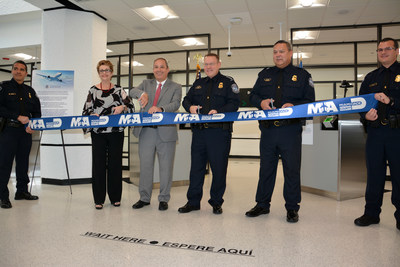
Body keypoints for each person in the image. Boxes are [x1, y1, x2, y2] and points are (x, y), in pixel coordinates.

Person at [245, 40, 315, 223]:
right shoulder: (265, 74)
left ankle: (292, 208)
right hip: (268, 131)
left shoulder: (302, 75)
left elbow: (310, 102)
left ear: (290, 53)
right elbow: (252, 95)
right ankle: (262, 204)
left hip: (290, 131)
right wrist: (260, 102)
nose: (278, 55)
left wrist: (295, 105)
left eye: (282, 51)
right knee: (266, 170)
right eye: (275, 51)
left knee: (292, 170)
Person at [178, 53, 240, 215]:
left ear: (219, 64)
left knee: (219, 169)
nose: (208, 67)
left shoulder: (228, 83)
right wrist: (189, 107)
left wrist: (219, 111)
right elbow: (186, 100)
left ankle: (216, 202)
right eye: (206, 64)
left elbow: (234, 104)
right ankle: (193, 202)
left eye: (211, 64)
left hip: (219, 133)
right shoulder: (198, 83)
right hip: (199, 132)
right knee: (196, 169)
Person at [355, 37, 400, 231]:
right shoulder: (371, 77)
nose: (383, 52)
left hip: (397, 133)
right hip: (375, 133)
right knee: (374, 175)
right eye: (380, 49)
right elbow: (360, 102)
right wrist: (366, 116)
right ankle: (371, 214)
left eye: (388, 49)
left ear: (396, 51)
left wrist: (391, 101)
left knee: (399, 176)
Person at [129, 58, 182, 211]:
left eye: (162, 67)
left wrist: (160, 108)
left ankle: (164, 199)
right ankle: (144, 198)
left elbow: (176, 103)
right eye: (156, 67)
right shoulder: (146, 84)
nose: (159, 69)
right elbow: (132, 91)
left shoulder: (176, 86)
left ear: (167, 69)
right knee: (145, 167)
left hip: (166, 132)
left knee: (166, 168)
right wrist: (141, 93)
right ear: (153, 69)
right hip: (146, 131)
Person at [82, 60, 134, 210]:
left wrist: (122, 107)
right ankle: (99, 199)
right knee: (98, 165)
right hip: (98, 134)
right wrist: (92, 114)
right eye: (101, 70)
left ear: (112, 72)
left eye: (107, 70)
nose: (104, 73)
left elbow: (131, 107)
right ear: (98, 73)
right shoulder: (92, 91)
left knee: (115, 165)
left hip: (116, 133)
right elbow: (85, 111)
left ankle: (115, 197)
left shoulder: (119, 90)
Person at [0, 60, 41, 209]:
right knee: (5, 164)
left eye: (22, 69)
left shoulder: (30, 91)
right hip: (8, 131)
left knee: (23, 163)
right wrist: (16, 116)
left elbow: (37, 111)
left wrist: (33, 124)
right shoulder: (4, 88)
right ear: (12, 71)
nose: (18, 71)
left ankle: (22, 192)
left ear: (26, 73)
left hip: (25, 132)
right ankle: (3, 196)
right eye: (16, 69)